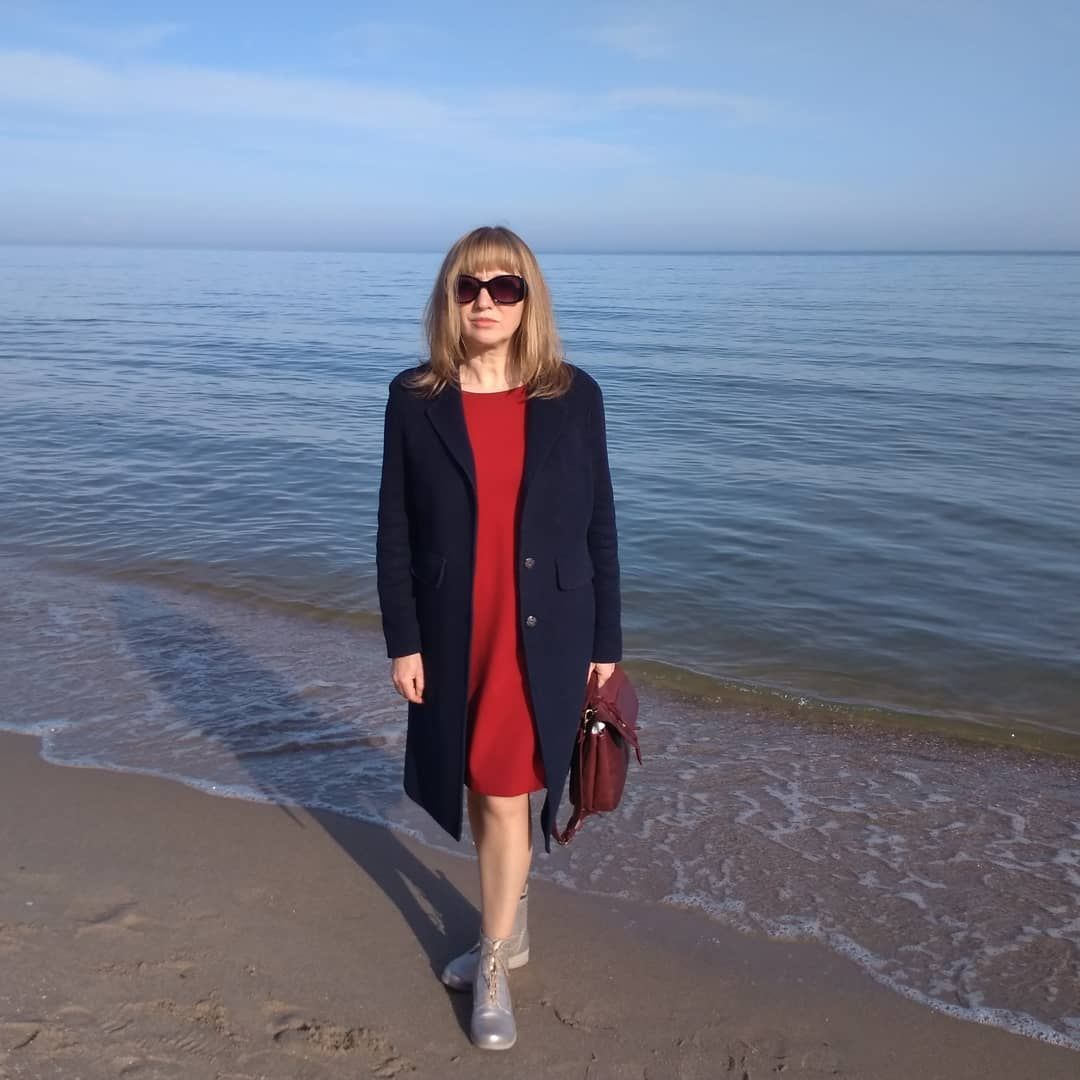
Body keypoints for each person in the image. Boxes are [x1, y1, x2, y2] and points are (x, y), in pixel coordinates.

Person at [375, 224, 622, 1051]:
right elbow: (395, 529)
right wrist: (403, 640)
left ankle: (493, 961)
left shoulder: (573, 396)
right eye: (469, 287)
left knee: (508, 786)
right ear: (450, 298)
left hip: (546, 631)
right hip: (457, 630)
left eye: (504, 286)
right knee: (485, 786)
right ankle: (510, 927)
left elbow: (600, 524)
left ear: (527, 298)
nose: (485, 301)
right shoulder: (415, 397)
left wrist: (608, 641)